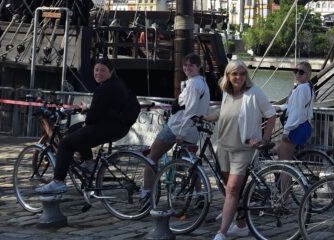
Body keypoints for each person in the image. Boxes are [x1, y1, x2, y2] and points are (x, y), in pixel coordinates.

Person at [36, 58, 141, 195]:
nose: (98, 73)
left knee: (66, 143)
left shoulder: (104, 89)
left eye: (103, 70)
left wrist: (88, 118)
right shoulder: (116, 84)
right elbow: (106, 108)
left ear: (111, 72)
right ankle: (88, 162)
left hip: (107, 128)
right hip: (118, 127)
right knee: (74, 130)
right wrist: (88, 112)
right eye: (96, 70)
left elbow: (93, 117)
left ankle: (58, 182)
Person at [208, 60, 276, 240]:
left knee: (231, 190)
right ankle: (241, 223)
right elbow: (224, 115)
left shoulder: (254, 93)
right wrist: (204, 115)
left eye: (242, 74)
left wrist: (264, 138)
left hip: (243, 149)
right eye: (234, 74)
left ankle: (221, 234)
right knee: (230, 188)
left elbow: (271, 115)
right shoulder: (227, 94)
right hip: (223, 147)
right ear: (228, 76)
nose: (238, 78)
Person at [141, 53, 211, 205]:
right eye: (185, 65)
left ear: (199, 67)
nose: (187, 68)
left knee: (152, 155)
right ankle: (199, 194)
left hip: (177, 128)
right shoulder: (203, 83)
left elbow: (190, 110)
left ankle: (146, 193)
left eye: (191, 65)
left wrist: (181, 132)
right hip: (193, 130)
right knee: (192, 164)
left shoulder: (192, 84)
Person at [277, 61, 314, 162]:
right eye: (295, 71)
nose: (297, 74)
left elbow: (296, 112)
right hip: (304, 125)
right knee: (280, 152)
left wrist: (286, 131)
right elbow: (296, 107)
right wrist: (279, 107)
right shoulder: (309, 87)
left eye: (301, 72)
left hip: (296, 127)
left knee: (284, 163)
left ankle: (287, 177)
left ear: (308, 75)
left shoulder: (301, 88)